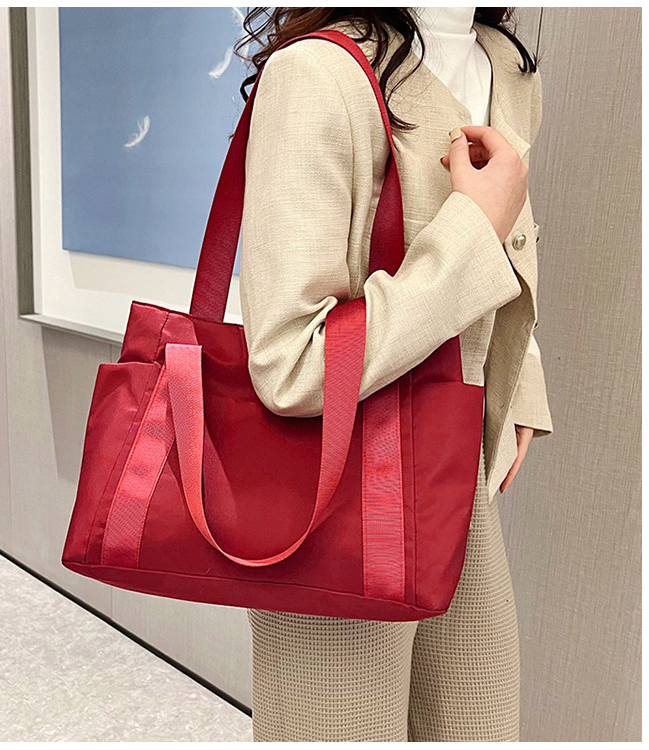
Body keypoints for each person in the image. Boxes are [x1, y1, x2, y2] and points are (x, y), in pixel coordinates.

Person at [236, 7, 554, 743]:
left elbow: (512, 241)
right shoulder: (318, 73)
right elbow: (291, 362)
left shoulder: (505, 66)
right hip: (336, 490)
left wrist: (521, 373)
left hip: (457, 467)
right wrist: (473, 229)